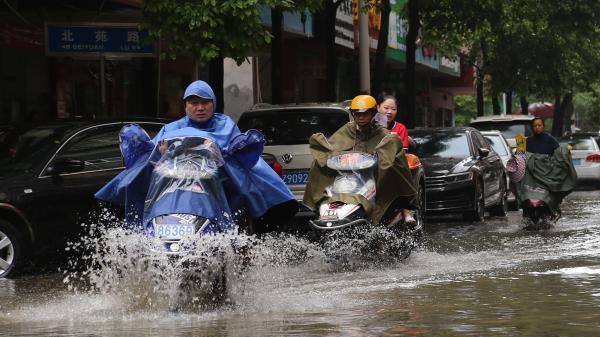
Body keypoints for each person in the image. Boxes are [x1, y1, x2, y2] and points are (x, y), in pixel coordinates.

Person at [96, 80, 297, 232]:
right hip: (174, 194)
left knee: (248, 190)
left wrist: (218, 153)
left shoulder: (226, 126)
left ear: (214, 104)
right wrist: (161, 153)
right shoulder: (170, 129)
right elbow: (150, 157)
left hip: (218, 190)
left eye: (205, 102)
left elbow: (236, 156)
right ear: (185, 106)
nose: (200, 108)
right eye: (193, 103)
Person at [303, 94, 417, 227]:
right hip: (347, 176)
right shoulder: (347, 130)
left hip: (373, 177)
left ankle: (400, 212)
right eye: (357, 114)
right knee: (317, 164)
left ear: (373, 113)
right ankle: (318, 207)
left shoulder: (382, 133)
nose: (361, 117)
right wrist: (328, 155)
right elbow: (332, 146)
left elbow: (391, 151)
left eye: (365, 113)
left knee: (392, 172)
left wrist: (382, 159)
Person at [377, 93, 415, 225]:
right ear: (378, 108)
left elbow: (402, 152)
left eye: (393, 109)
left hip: (393, 165)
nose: (389, 112)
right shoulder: (370, 126)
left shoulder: (400, 128)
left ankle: (406, 211)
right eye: (386, 108)